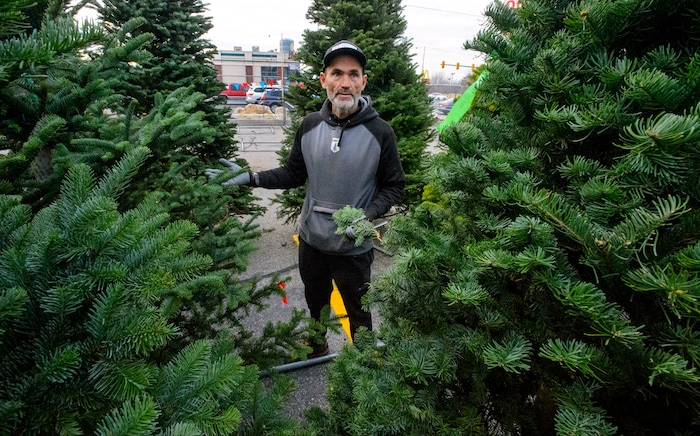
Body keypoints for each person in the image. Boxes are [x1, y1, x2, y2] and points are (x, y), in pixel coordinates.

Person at [206, 40, 405, 357]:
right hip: (312, 242)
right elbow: (293, 173)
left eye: (353, 74)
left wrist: (366, 216)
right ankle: (317, 344)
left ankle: (366, 364)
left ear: (363, 82)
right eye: (336, 73)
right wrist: (251, 177)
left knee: (358, 310)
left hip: (353, 248)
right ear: (324, 79)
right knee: (315, 302)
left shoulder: (380, 132)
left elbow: (393, 186)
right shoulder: (310, 125)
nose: (345, 82)